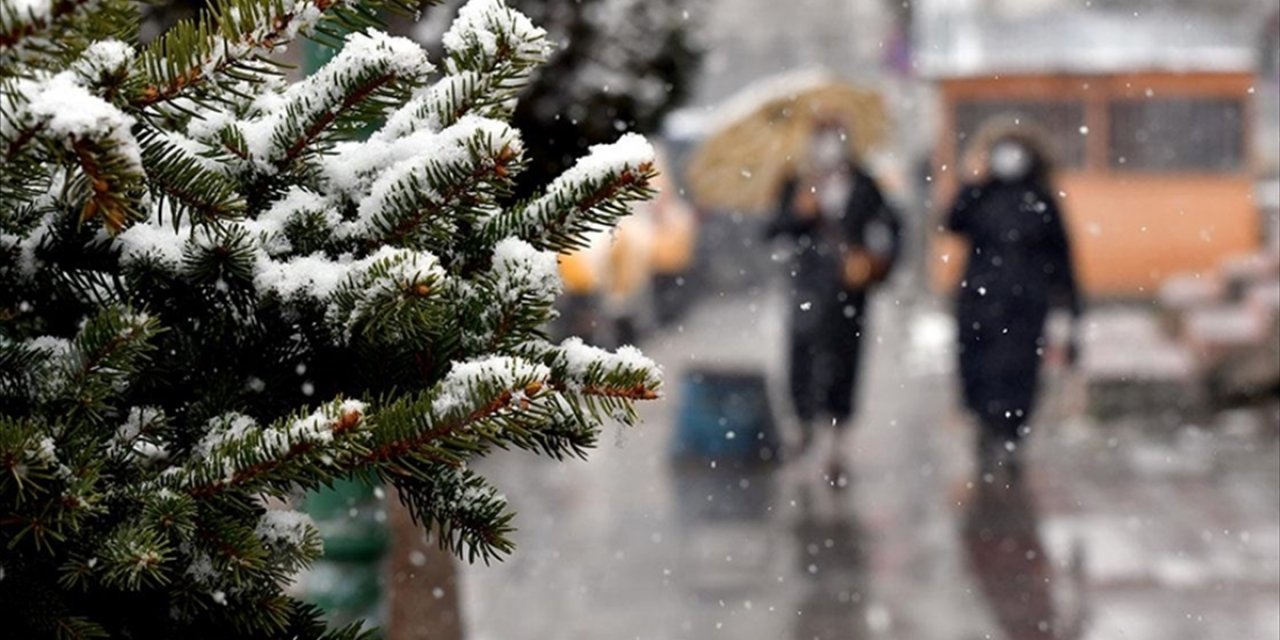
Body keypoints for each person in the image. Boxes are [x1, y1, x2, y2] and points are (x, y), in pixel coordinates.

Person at [766, 120, 901, 485]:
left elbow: (889, 228)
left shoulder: (865, 183)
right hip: (808, 288)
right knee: (803, 357)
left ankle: (838, 440)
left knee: (846, 361)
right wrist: (799, 213)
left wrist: (873, 262)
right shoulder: (797, 182)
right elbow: (774, 232)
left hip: (850, 293)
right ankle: (805, 424)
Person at [944, 127, 1081, 475]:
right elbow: (952, 221)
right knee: (977, 366)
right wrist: (973, 181)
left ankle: (1012, 433)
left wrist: (1069, 305)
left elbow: (1061, 255)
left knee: (1020, 369)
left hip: (1026, 303)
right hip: (979, 299)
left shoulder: (1041, 198)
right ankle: (985, 425)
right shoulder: (981, 194)